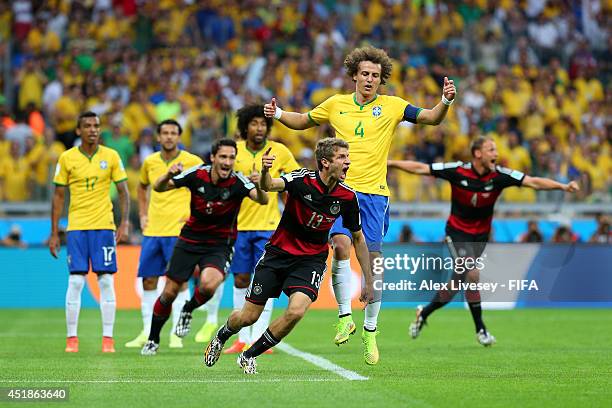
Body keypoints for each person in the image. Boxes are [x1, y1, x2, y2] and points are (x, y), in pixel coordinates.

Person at [264, 45, 456, 365]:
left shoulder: (393, 106)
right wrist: (279, 114)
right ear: (354, 75)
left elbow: (431, 118)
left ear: (381, 80)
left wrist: (446, 100)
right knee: (339, 244)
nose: (370, 79)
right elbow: (303, 120)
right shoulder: (336, 104)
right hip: (341, 192)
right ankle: (344, 316)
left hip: (375, 196)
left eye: (376, 76)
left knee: (374, 263)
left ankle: (370, 332)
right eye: (365, 74)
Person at [388, 135, 579, 346]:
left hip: (480, 237)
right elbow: (421, 168)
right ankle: (481, 330)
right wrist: (390, 163)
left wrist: (562, 187)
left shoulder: (500, 176)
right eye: (491, 150)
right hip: (456, 233)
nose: (496, 154)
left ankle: (424, 313)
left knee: (455, 285)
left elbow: (532, 181)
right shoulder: (457, 170)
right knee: (472, 273)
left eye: (496, 150)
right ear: (478, 154)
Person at [204, 138, 374, 374]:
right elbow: (269, 186)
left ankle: (249, 355)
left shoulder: (347, 197)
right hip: (278, 255)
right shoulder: (300, 180)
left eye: (348, 157)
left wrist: (369, 278)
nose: (348, 162)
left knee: (295, 311)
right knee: (248, 316)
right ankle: (222, 336)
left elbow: (358, 239)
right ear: (325, 162)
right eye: (342, 157)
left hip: (311, 260)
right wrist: (264, 171)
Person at [140, 138, 268, 356]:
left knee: (209, 285)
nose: (228, 162)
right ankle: (153, 338)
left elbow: (263, 200)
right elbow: (159, 187)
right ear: (213, 158)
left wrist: (258, 182)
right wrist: (168, 174)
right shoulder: (196, 174)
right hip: (189, 240)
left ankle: (188, 309)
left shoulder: (239, 182)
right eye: (223, 157)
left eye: (231, 157)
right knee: (169, 292)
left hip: (219, 245)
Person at [205, 104, 300, 353]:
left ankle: (259, 337)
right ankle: (241, 338)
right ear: (244, 126)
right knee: (240, 279)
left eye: (262, 124)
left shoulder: (280, 151)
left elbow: (295, 184)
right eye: (254, 123)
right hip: (237, 227)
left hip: (269, 227)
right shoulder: (233, 152)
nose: (259, 128)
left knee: (266, 282)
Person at [49, 111, 130, 353]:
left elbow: (124, 192)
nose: (93, 129)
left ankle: (108, 339)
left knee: (105, 280)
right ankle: (71, 338)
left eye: (96, 125)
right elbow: (58, 197)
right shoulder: (67, 158)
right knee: (75, 281)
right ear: (78, 131)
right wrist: (54, 233)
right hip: (76, 228)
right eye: (87, 126)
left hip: (104, 226)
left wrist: (124, 223)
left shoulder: (111, 156)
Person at [125, 119, 203, 350]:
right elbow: (141, 187)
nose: (169, 137)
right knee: (149, 280)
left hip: (179, 231)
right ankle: (147, 331)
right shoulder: (149, 162)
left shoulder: (192, 162)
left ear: (179, 137)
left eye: (173, 133)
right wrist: (141, 214)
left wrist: (194, 217)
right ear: (158, 138)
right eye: (165, 133)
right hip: (153, 230)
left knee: (178, 283)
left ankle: (176, 334)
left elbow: (203, 188)